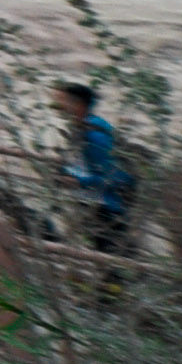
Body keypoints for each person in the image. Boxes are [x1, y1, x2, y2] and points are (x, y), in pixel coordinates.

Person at [55, 78, 137, 252]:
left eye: (62, 102)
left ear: (79, 105)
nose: (58, 108)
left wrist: (79, 181)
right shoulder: (84, 129)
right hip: (96, 206)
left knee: (114, 260)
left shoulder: (94, 135)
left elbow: (116, 176)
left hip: (108, 209)